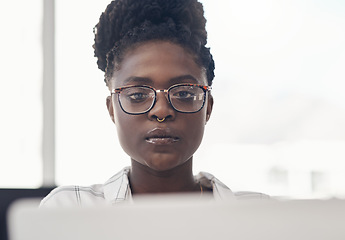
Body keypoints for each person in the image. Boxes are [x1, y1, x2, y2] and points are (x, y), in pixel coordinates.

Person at [41, 0, 267, 207]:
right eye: (138, 95)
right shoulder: (69, 209)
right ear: (112, 109)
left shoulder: (262, 215)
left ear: (208, 107)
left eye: (185, 94)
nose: (161, 111)